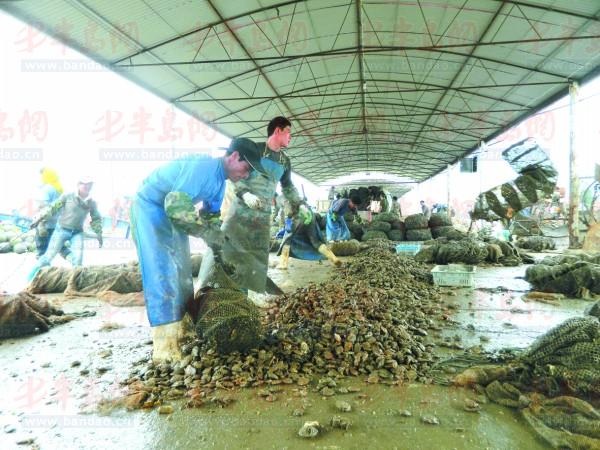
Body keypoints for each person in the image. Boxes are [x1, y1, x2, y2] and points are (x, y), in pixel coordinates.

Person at [131, 138, 265, 363]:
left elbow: (210, 219)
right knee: (162, 269)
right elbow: (175, 204)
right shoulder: (203, 167)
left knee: (182, 271)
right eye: (247, 168)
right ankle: (163, 345)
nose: (247, 175)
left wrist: (219, 246)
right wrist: (206, 232)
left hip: (173, 213)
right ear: (233, 157)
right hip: (151, 207)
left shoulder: (220, 184)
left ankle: (183, 327)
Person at [220, 116, 303, 294]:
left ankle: (242, 300)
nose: (290, 136)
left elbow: (287, 187)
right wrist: (245, 193)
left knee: (253, 263)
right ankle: (224, 298)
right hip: (240, 214)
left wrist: (298, 204)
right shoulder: (254, 150)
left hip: (262, 218)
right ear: (277, 130)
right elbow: (233, 174)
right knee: (231, 256)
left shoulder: (285, 161)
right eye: (288, 132)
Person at [28, 177, 102, 281]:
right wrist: (38, 219)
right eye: (83, 183)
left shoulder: (92, 202)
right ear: (78, 185)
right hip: (61, 230)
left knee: (78, 260)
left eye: (88, 184)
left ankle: (75, 284)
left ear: (91, 186)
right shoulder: (67, 196)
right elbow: (52, 208)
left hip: (78, 233)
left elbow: (96, 218)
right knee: (48, 256)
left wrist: (99, 234)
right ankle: (30, 278)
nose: (85, 186)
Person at [277, 205, 341, 270]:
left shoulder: (290, 203)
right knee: (316, 242)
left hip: (298, 220)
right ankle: (334, 258)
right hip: (310, 220)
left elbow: (289, 215)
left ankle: (283, 264)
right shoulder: (313, 213)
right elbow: (320, 224)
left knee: (287, 242)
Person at [33, 168, 70, 259]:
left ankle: (43, 270)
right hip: (56, 223)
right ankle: (75, 262)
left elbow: (43, 205)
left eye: (42, 175)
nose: (41, 178)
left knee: (42, 250)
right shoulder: (60, 189)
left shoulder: (47, 188)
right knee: (61, 247)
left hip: (44, 223)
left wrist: (39, 222)